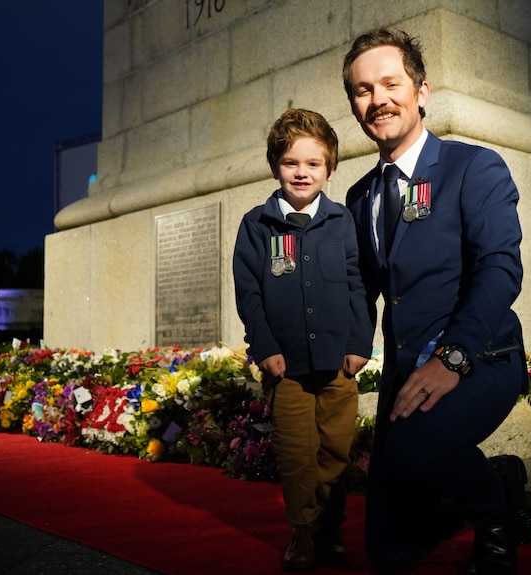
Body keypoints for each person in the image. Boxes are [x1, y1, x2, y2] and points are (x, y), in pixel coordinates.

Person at [342, 29, 531, 574]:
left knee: (418, 449)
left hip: (481, 358)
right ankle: (488, 484)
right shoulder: (360, 197)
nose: (377, 98)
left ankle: (498, 514)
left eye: (389, 82)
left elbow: (501, 268)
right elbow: (360, 292)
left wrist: (454, 357)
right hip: (408, 376)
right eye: (362, 90)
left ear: (421, 91)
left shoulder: (474, 167)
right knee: (390, 553)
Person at [233, 108, 373, 571]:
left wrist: (360, 343)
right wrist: (266, 349)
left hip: (338, 363)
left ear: (329, 169)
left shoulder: (342, 221)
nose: (302, 172)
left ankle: (330, 528)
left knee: (334, 451)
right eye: (292, 162)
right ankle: (302, 533)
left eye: (313, 164)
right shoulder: (257, 225)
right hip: (287, 366)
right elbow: (249, 294)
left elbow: (358, 284)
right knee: (295, 454)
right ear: (276, 166)